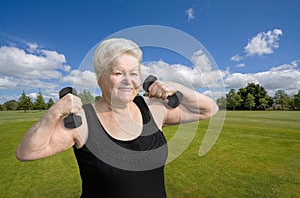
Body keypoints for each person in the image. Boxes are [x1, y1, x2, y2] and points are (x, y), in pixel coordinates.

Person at [16, 38, 219, 198]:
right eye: (118, 73)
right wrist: (53, 114)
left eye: (134, 73)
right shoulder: (82, 121)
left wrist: (177, 87)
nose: (128, 81)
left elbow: (209, 109)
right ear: (100, 78)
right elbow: (27, 152)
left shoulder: (153, 109)